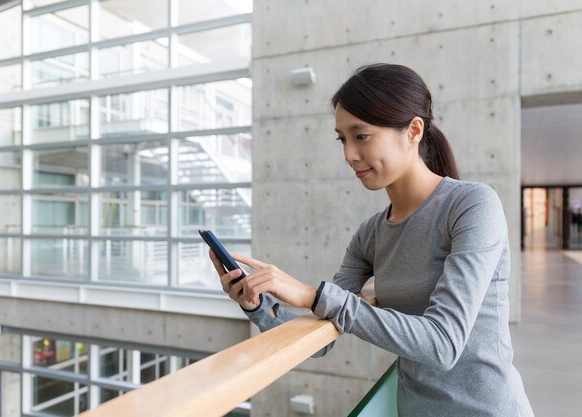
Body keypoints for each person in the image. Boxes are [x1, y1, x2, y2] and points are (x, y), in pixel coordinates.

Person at [208, 63, 534, 417]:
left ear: (413, 131)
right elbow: (321, 339)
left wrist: (313, 295)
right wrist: (257, 306)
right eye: (342, 139)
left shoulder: (472, 205)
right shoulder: (371, 234)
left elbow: (443, 344)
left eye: (360, 136)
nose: (348, 154)